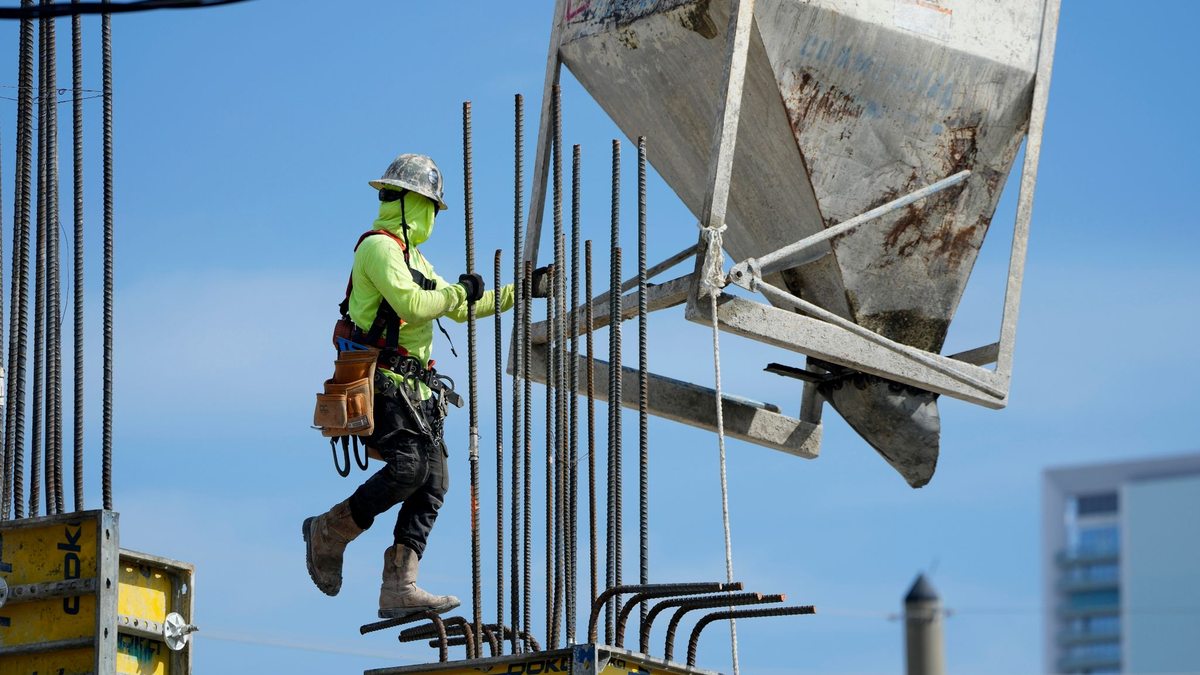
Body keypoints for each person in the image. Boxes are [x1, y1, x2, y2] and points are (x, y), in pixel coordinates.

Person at [303, 154, 546, 618]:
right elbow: (415, 304)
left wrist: (523, 289)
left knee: (433, 482)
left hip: (415, 391)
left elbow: (457, 308)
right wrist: (458, 291)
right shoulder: (377, 248)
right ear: (415, 205)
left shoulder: (414, 257)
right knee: (409, 468)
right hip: (379, 380)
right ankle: (329, 530)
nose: (433, 216)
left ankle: (399, 584)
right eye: (431, 207)